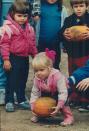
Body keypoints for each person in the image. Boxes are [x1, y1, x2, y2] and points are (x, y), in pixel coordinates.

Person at [0, 0, 37, 112]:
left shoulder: (29, 28)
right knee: (11, 80)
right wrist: (6, 60)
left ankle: (21, 99)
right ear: (12, 14)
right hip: (13, 58)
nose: (22, 18)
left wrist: (35, 55)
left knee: (22, 79)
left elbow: (31, 43)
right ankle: (9, 100)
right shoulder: (8, 28)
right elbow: (4, 44)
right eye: (19, 15)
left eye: (25, 16)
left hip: (24, 58)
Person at [30, 48, 74, 126]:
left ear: (49, 68)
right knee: (41, 102)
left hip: (63, 90)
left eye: (41, 70)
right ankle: (40, 116)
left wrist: (59, 106)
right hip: (48, 90)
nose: (38, 73)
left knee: (63, 103)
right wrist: (33, 107)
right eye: (36, 70)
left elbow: (62, 92)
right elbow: (34, 93)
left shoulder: (57, 76)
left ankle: (68, 117)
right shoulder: (36, 79)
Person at [60, 0, 89, 108]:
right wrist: (64, 33)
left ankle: (85, 100)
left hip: (86, 53)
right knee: (73, 74)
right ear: (72, 7)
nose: (79, 8)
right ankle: (75, 97)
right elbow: (61, 32)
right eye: (76, 6)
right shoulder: (69, 20)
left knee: (84, 76)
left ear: (87, 6)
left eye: (81, 6)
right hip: (72, 54)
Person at [32, 0, 68, 69]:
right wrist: (34, 18)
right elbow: (30, 23)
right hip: (41, 44)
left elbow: (66, 26)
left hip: (55, 44)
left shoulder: (62, 9)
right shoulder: (38, 7)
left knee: (54, 67)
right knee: (40, 67)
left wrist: (65, 43)